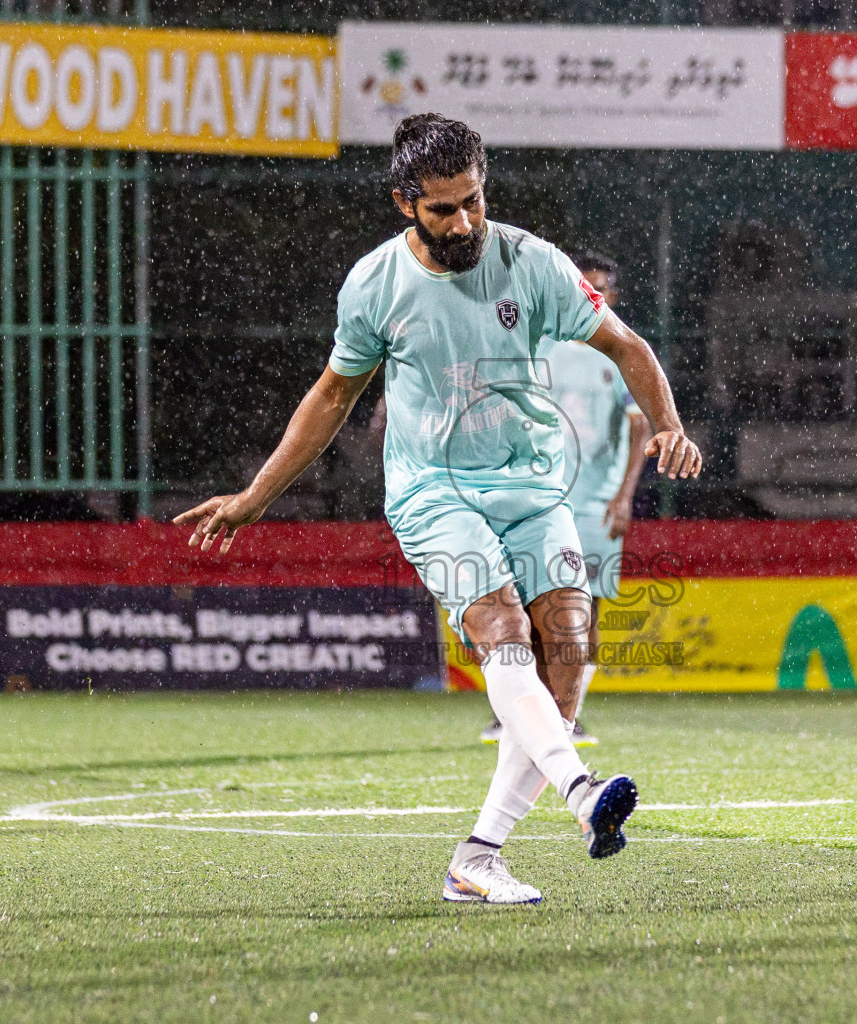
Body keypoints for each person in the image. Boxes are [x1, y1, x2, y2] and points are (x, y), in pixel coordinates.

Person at [174, 114, 702, 905]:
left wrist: (668, 425)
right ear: (404, 202)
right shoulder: (375, 285)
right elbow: (331, 398)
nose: (464, 223)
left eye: (474, 202)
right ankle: (584, 793)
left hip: (530, 483)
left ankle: (477, 856)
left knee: (571, 650)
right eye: (443, 209)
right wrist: (255, 497)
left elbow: (627, 344)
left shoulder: (534, 263)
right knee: (502, 629)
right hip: (434, 489)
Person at [479, 252, 653, 749]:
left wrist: (624, 498)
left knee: (586, 611)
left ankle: (569, 717)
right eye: (583, 288)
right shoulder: (543, 347)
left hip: (596, 505)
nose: (589, 298)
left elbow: (640, 423)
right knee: (532, 608)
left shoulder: (617, 352)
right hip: (542, 500)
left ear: (612, 298)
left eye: (599, 290)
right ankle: (520, 714)